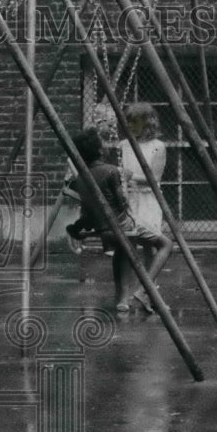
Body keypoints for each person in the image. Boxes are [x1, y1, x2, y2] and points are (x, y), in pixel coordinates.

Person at [64, 128, 140, 313]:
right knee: (161, 243)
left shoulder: (81, 177)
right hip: (120, 226)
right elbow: (122, 203)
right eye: (102, 144)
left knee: (122, 252)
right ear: (100, 151)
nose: (106, 145)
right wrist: (125, 181)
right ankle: (142, 291)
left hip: (100, 227)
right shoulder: (112, 171)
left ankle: (121, 298)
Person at [117, 102, 173, 314]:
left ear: (147, 122)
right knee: (126, 247)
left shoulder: (158, 146)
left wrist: (128, 175)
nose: (129, 125)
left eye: (134, 121)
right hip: (128, 200)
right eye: (127, 121)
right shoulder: (124, 145)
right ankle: (124, 296)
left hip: (148, 200)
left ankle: (146, 292)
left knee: (150, 246)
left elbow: (154, 178)